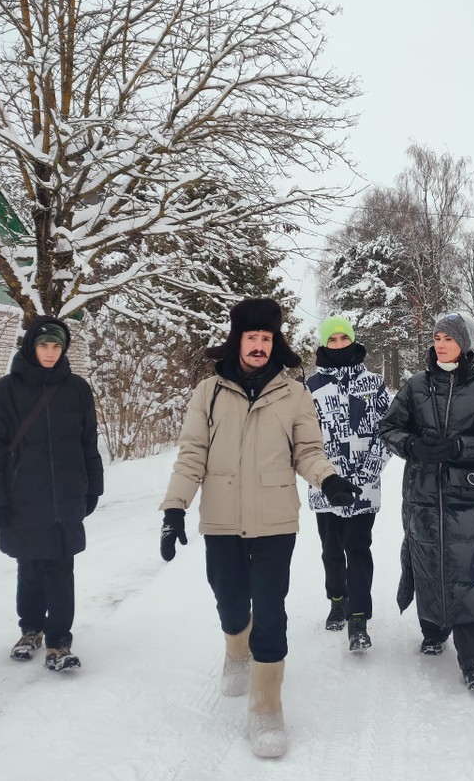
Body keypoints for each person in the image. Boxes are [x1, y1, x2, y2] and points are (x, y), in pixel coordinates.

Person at [157, 297, 360, 758]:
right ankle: (235, 650)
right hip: (222, 518)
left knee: (270, 608)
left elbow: (307, 449)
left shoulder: (294, 394)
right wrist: (174, 509)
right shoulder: (208, 392)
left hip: (274, 520)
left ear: (275, 343)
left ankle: (266, 707)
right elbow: (192, 454)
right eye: (252, 337)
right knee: (229, 600)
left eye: (267, 339)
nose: (259, 346)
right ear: (238, 340)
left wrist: (327, 478)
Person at [379, 310, 474, 692]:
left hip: (465, 496)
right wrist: (413, 445)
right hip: (421, 492)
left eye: (449, 338)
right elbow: (389, 428)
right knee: (426, 559)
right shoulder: (416, 386)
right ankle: (433, 629)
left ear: (464, 344)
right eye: (436, 337)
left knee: (465, 569)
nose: (441, 344)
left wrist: (457, 446)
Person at [0, 316, 103, 672]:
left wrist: (94, 485)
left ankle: (60, 641)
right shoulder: (5, 391)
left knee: (61, 568)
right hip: (22, 500)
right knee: (29, 567)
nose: (50, 352)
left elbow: (87, 442)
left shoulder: (77, 389)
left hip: (66, 498)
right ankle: (31, 630)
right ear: (31, 347)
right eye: (44, 345)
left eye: (56, 346)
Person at [306, 316, 391, 652]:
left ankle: (358, 618)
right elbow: (303, 438)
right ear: (325, 344)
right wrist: (326, 477)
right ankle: (337, 599)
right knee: (330, 549)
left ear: (352, 341)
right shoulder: (309, 388)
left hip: (363, 487)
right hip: (325, 487)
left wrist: (369, 470)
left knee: (357, 549)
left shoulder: (374, 384)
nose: (339, 344)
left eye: (344, 339)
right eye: (333, 340)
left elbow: (390, 430)